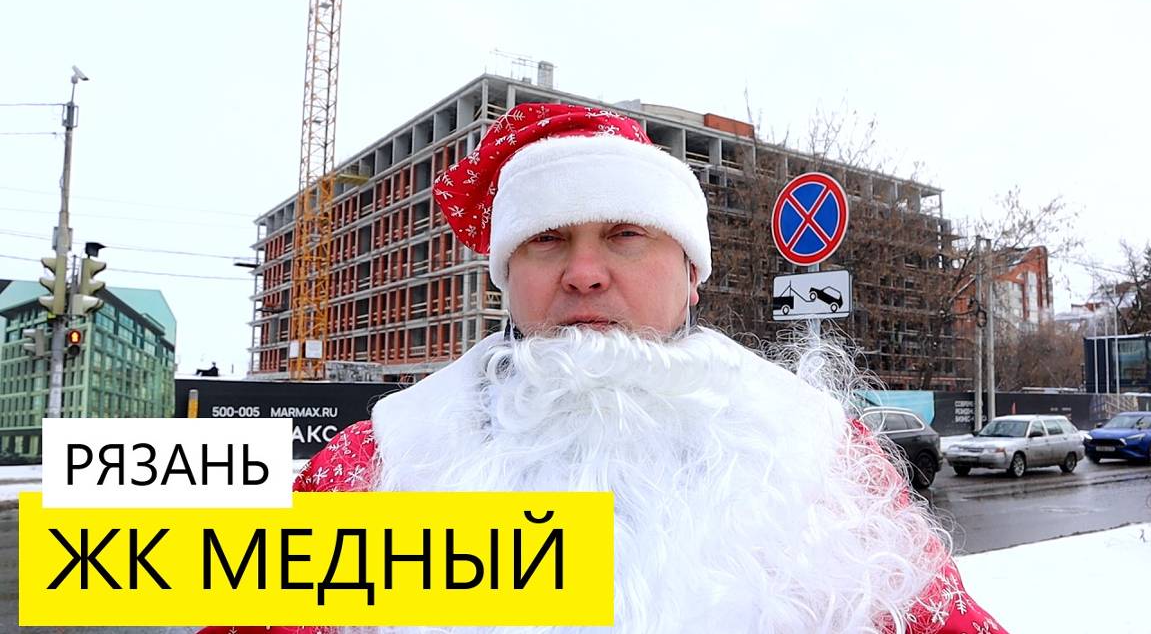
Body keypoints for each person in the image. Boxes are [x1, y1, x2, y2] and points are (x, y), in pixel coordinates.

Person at [203, 104, 1004, 633]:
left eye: (624, 234)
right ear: (505, 277)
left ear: (691, 273)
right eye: (546, 240)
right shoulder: (382, 459)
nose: (583, 273)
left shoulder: (812, 447)